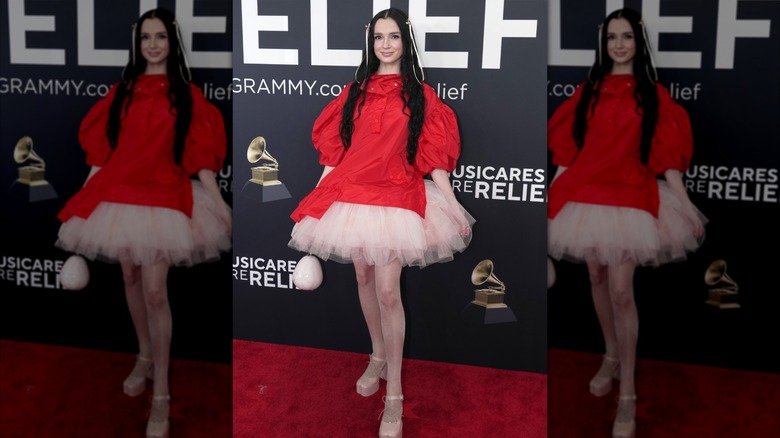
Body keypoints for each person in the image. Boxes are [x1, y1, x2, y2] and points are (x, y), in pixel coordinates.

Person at [288, 8, 474, 438]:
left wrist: (451, 202)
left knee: (389, 290)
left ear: (405, 43)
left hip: (397, 194)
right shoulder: (353, 92)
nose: (385, 45)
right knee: (363, 277)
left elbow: (433, 156)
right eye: (379, 38)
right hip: (353, 193)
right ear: (370, 44)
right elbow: (334, 155)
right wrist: (317, 197)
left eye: (393, 37)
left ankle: (396, 396)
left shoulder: (422, 95)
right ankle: (377, 356)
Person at [55, 8, 231, 438]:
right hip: (119, 192)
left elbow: (199, 156)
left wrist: (217, 199)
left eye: (160, 37)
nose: (152, 44)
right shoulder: (122, 92)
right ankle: (145, 356)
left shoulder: (187, 95)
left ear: (172, 43)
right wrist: (84, 196)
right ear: (139, 44)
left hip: (165, 193)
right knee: (131, 278)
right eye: (146, 37)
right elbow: (100, 154)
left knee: (155, 291)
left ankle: (163, 393)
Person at [547, 8, 706, 438]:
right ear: (605, 43)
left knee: (621, 290)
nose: (619, 44)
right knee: (596, 277)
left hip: (631, 194)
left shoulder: (654, 96)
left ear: (638, 43)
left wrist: (687, 204)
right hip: (586, 192)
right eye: (613, 37)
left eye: (627, 37)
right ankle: (611, 355)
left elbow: (667, 158)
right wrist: (553, 198)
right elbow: (566, 153)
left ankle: (629, 392)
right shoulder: (588, 92)